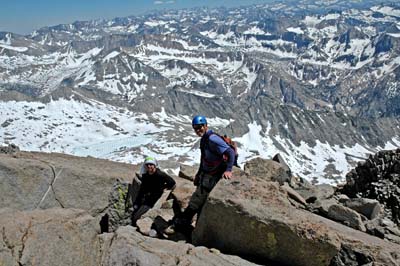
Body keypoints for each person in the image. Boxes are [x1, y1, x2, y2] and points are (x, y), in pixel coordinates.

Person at [168, 115, 235, 234]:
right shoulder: (204, 139)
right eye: (195, 128)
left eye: (199, 127)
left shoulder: (212, 139)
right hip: (206, 174)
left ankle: (184, 223)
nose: (198, 130)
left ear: (205, 125)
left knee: (196, 200)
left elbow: (230, 152)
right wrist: (199, 174)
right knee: (198, 199)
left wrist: (228, 170)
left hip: (213, 175)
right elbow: (203, 158)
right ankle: (190, 224)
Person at [131, 156, 176, 225]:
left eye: (151, 164)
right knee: (136, 214)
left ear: (155, 165)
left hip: (158, 196)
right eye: (147, 165)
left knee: (139, 215)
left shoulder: (160, 174)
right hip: (149, 196)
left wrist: (164, 187)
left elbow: (172, 182)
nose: (149, 166)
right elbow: (142, 189)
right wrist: (137, 201)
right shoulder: (145, 175)